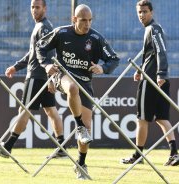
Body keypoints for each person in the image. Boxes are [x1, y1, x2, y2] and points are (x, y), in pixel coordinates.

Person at [36, 4, 119, 180]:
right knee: (72, 88)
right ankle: (78, 125)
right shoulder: (61, 33)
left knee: (88, 129)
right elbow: (40, 46)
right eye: (83, 20)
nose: (87, 24)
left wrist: (102, 68)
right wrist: (47, 65)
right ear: (74, 19)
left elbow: (113, 59)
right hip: (62, 76)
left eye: (89, 20)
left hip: (86, 84)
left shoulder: (96, 38)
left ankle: (80, 165)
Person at [0, 0, 67, 159]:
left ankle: (8, 146)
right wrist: (16, 67)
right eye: (32, 7)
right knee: (50, 110)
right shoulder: (40, 26)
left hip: (37, 76)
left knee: (24, 110)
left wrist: (51, 77)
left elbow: (49, 53)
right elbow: (33, 53)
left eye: (37, 7)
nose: (34, 10)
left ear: (45, 8)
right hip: (41, 75)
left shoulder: (44, 27)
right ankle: (62, 147)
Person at [121, 0, 179, 166]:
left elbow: (161, 51)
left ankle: (138, 155)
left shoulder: (153, 29)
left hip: (152, 81)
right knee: (162, 118)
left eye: (145, 11)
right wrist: (140, 69)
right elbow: (150, 55)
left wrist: (160, 73)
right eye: (139, 12)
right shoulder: (153, 29)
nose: (142, 15)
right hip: (159, 78)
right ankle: (174, 153)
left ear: (152, 12)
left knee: (142, 119)